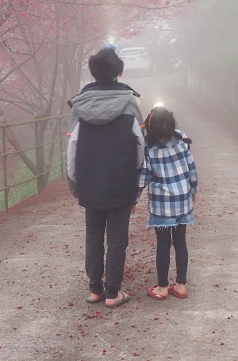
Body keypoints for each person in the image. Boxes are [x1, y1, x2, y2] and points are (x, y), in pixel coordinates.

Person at [66, 44, 145, 309]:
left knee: (93, 234)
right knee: (118, 238)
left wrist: (74, 183)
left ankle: (95, 289)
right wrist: (137, 184)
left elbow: (72, 149)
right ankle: (113, 292)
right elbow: (139, 147)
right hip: (121, 181)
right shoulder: (130, 102)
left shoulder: (80, 104)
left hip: (89, 182)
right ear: (118, 72)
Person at [137, 104, 198, 300]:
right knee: (180, 241)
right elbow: (191, 168)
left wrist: (134, 197)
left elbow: (144, 177)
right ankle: (180, 285)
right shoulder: (182, 140)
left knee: (163, 244)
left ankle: (162, 287)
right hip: (182, 200)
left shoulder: (148, 147)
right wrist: (193, 190)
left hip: (161, 204)